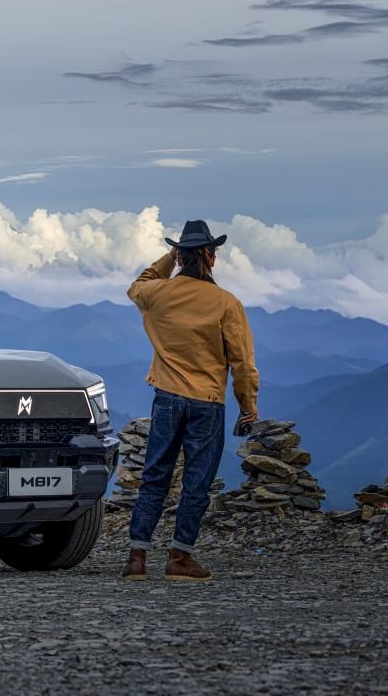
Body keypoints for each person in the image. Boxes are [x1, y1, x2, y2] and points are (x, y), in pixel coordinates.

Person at [122, 219, 259, 582]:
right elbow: (242, 363)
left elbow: (137, 285)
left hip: (166, 398)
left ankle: (137, 558)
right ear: (211, 257)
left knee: (155, 477)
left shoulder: (157, 294)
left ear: (181, 254)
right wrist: (248, 407)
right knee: (196, 484)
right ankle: (179, 558)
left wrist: (169, 258)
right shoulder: (227, 303)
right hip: (207, 402)